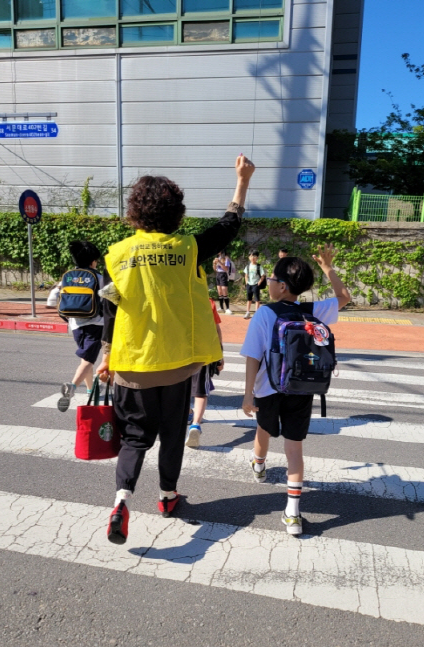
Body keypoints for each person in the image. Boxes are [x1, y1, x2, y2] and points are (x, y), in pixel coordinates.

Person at [97, 155, 256, 545]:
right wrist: (241, 181)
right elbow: (228, 226)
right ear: (177, 213)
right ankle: (168, 497)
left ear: (135, 212)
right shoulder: (188, 249)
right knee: (171, 435)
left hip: (132, 365)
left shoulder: (116, 256)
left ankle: (120, 502)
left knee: (135, 438)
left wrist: (106, 356)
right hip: (178, 364)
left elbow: (111, 311)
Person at [240, 245, 350, 536]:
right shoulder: (312, 310)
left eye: (272, 279)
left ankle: (259, 465)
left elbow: (252, 356)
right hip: (302, 387)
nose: (268, 282)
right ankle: (293, 514)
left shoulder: (265, 313)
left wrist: (248, 394)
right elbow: (344, 297)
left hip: (268, 388)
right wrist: (328, 267)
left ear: (282, 286)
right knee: (294, 449)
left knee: (263, 429)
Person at [57, 241, 104, 412]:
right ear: (93, 261)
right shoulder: (99, 277)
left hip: (75, 324)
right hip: (96, 323)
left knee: (85, 358)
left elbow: (56, 295)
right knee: (88, 359)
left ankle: (91, 390)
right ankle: (72, 387)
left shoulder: (69, 276)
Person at [185, 297, 224, 448]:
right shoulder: (207, 301)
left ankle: (187, 412)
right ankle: (195, 424)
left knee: (182, 386)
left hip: (181, 351)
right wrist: (220, 354)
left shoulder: (176, 295)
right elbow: (216, 328)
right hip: (204, 352)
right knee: (201, 390)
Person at [244, 250, 265, 319]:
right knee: (249, 299)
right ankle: (247, 312)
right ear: (249, 257)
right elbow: (246, 275)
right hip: (249, 284)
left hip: (255, 284)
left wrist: (258, 283)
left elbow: (263, 275)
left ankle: (256, 313)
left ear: (257, 257)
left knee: (257, 299)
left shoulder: (259, 266)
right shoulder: (247, 266)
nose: (252, 257)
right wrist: (246, 282)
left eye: (254, 256)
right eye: (251, 256)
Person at [213, 250, 233, 314]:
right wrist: (214, 263)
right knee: (219, 291)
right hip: (218, 274)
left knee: (224, 290)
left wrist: (219, 262)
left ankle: (227, 308)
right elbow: (215, 269)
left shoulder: (226, 258)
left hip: (223, 274)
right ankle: (221, 307)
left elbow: (226, 269)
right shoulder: (218, 258)